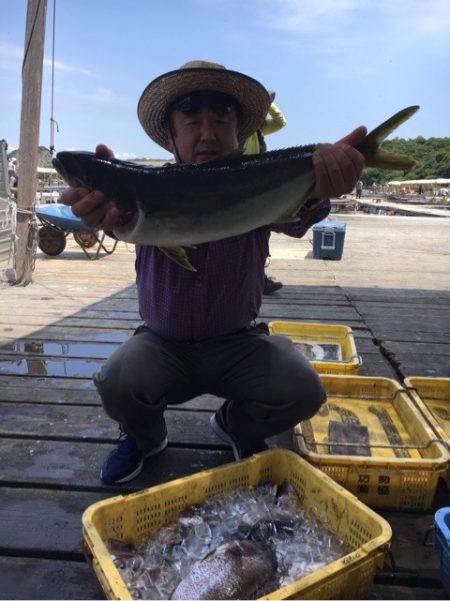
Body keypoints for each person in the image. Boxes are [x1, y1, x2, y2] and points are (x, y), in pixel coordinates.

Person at [61, 60, 366, 485]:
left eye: (220, 119)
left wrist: (320, 187)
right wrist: (96, 207)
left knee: (304, 390)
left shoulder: (255, 182)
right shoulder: (146, 188)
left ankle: (236, 425)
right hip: (163, 345)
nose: (207, 133)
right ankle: (145, 436)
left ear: (238, 132)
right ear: (171, 135)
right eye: (192, 121)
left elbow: (297, 221)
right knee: (117, 380)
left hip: (238, 344)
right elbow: (107, 209)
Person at [243, 92, 287, 295]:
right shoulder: (239, 130)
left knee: (261, 231)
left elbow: (281, 122)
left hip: (257, 187)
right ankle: (254, 278)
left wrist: (270, 105)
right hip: (240, 185)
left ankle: (258, 277)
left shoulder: (260, 129)